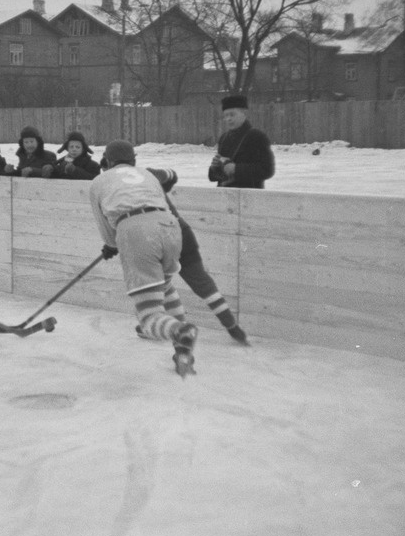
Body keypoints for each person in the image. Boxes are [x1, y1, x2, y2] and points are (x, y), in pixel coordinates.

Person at [89, 139, 198, 377]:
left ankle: (179, 330)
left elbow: (106, 228)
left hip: (136, 231)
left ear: (106, 161)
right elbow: (169, 177)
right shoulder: (147, 174)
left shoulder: (99, 181)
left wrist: (110, 245)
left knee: (148, 317)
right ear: (134, 160)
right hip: (170, 226)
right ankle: (183, 352)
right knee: (166, 285)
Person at [146, 167, 249, 345]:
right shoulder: (146, 176)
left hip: (158, 237)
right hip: (182, 232)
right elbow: (171, 175)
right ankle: (232, 326)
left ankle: (163, 326)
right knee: (201, 282)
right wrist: (162, 175)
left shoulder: (118, 191)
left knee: (156, 286)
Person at [208, 94, 274, 189]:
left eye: (232, 114)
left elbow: (267, 170)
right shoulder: (224, 138)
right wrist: (215, 168)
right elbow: (218, 176)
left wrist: (236, 169)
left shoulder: (257, 137)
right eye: (226, 115)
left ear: (244, 114)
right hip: (225, 196)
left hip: (249, 196)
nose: (228, 119)